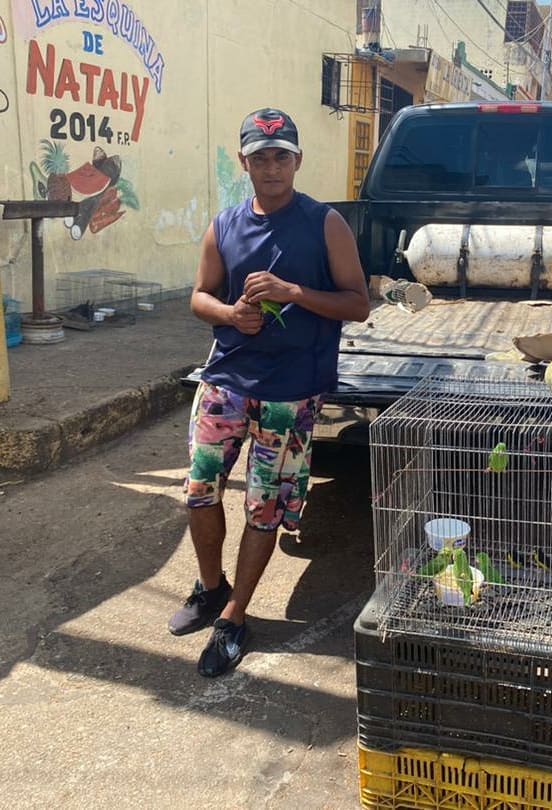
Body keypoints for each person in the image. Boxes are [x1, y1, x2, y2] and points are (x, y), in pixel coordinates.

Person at [168, 107, 370, 677]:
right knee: (199, 492)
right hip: (225, 381)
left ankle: (234, 617)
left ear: (298, 161)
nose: (272, 167)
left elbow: (358, 303)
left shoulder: (325, 223)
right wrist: (231, 313)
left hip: (290, 392)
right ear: (244, 162)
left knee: (265, 505)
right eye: (261, 157)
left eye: (282, 156)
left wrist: (295, 292)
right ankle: (211, 588)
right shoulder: (225, 225)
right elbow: (199, 296)